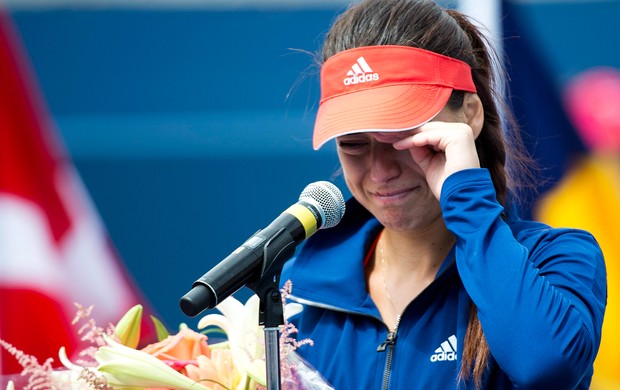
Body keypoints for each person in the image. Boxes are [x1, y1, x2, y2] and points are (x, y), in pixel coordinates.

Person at [280, 0, 607, 389]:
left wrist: (467, 198)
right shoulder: (300, 284)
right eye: (353, 144)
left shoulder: (558, 258)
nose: (381, 170)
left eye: (404, 136)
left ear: (469, 114)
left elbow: (545, 367)